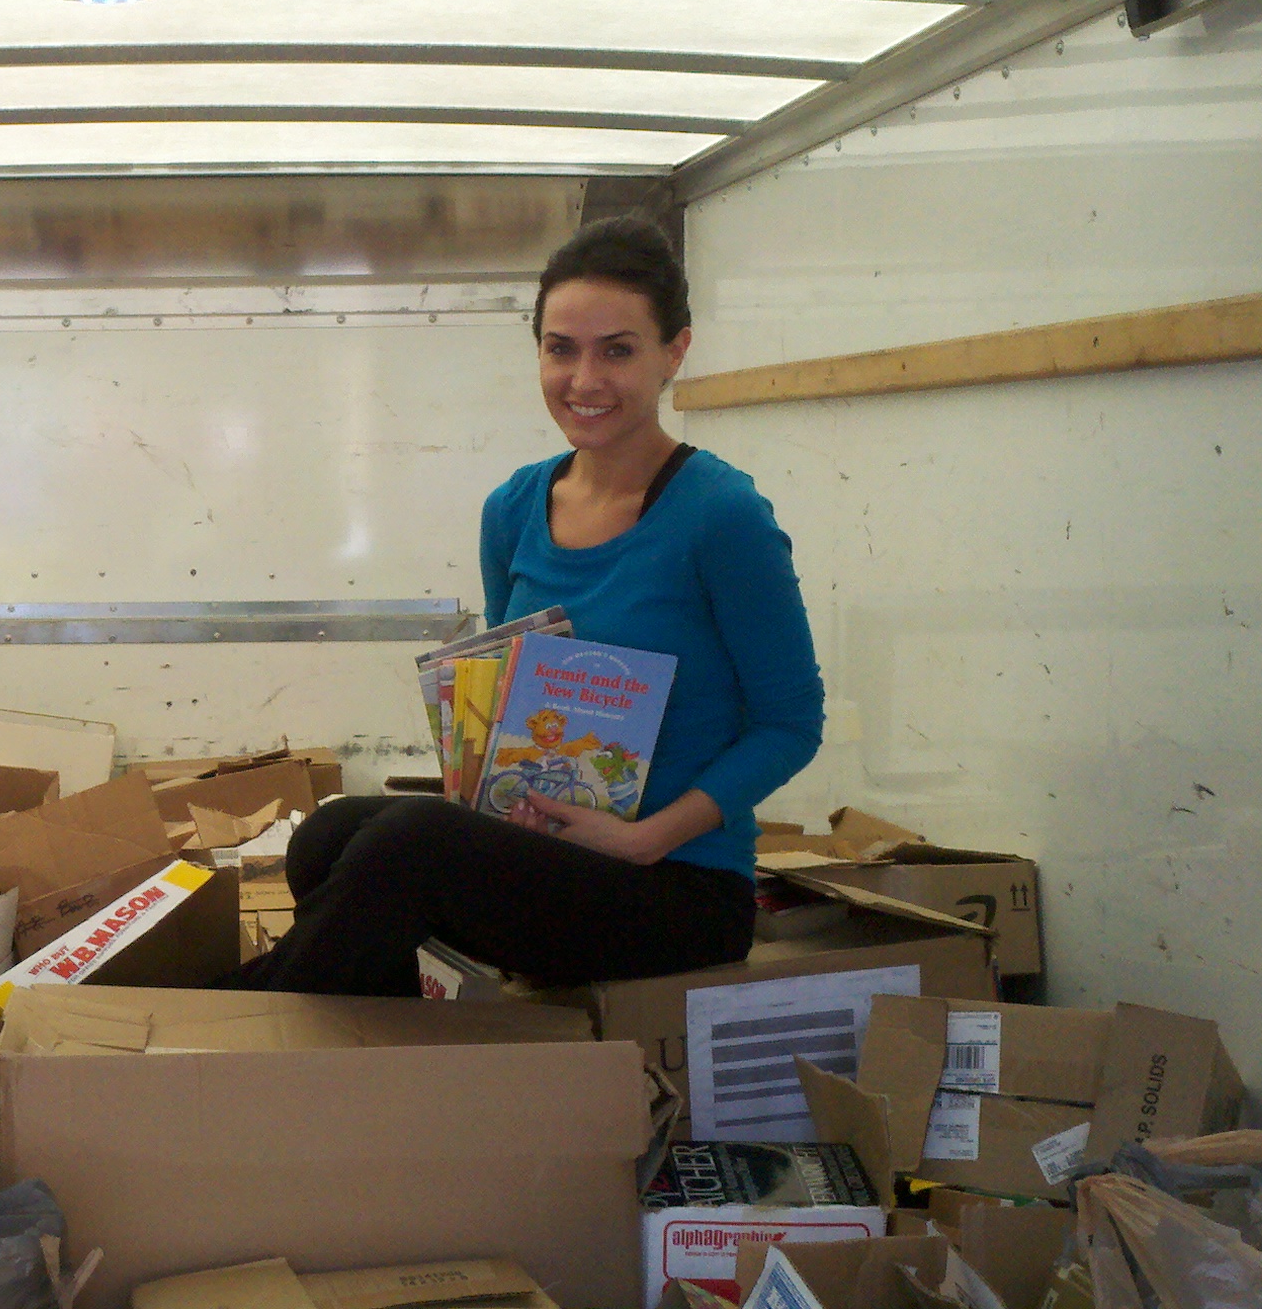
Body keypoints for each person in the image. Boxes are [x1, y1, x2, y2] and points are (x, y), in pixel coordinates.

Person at [227, 216, 824, 995]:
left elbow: (791, 723)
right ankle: (367, 1045)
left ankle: (238, 1026)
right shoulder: (513, 508)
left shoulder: (722, 516)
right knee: (328, 836)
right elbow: (506, 696)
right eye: (560, 349)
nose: (585, 380)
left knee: (409, 842)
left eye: (618, 349)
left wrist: (643, 840)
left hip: (673, 888)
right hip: (558, 856)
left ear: (675, 352)